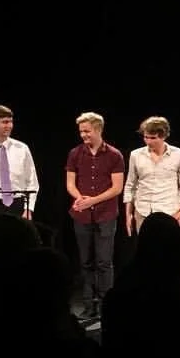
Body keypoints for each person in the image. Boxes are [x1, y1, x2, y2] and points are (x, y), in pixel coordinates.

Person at [64, 111, 125, 320]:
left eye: (87, 131)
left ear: (98, 129)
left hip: (105, 214)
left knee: (104, 262)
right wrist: (80, 198)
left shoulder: (114, 155)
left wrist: (93, 200)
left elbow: (117, 188)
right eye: (81, 131)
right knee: (86, 261)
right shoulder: (75, 153)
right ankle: (89, 306)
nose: (83, 135)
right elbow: (70, 183)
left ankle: (108, 306)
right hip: (81, 215)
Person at [122, 116, 180, 236]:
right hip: (143, 211)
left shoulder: (179, 154)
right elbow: (130, 185)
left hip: (169, 210)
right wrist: (128, 214)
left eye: (153, 138)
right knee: (146, 251)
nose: (148, 141)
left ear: (163, 136)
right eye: (146, 137)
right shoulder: (136, 155)